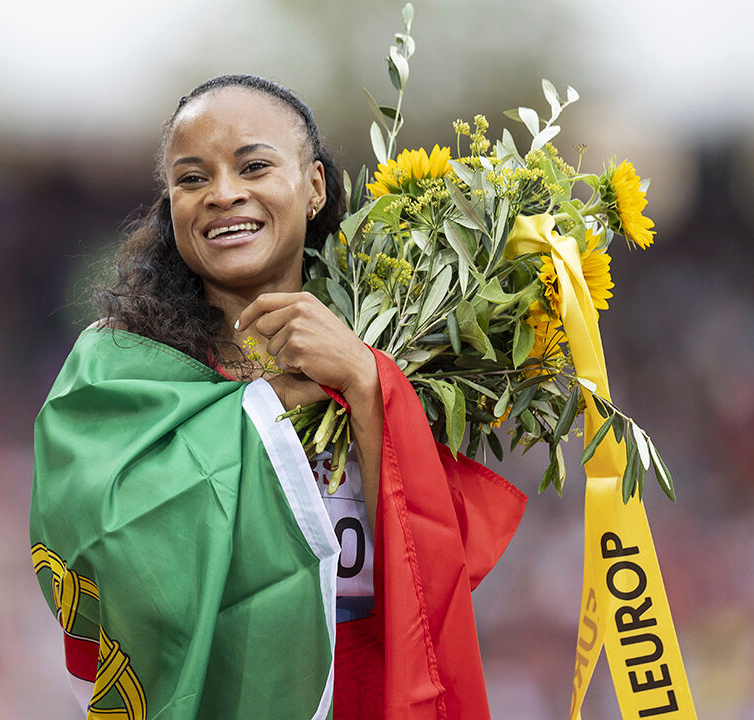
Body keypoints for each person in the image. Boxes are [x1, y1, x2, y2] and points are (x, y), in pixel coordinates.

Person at [30, 74, 526, 719]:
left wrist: (369, 387)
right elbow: (101, 552)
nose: (223, 194)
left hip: (362, 695)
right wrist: (269, 410)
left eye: (254, 166)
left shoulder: (395, 354)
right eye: (191, 179)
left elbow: (431, 571)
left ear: (314, 185)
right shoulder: (119, 366)